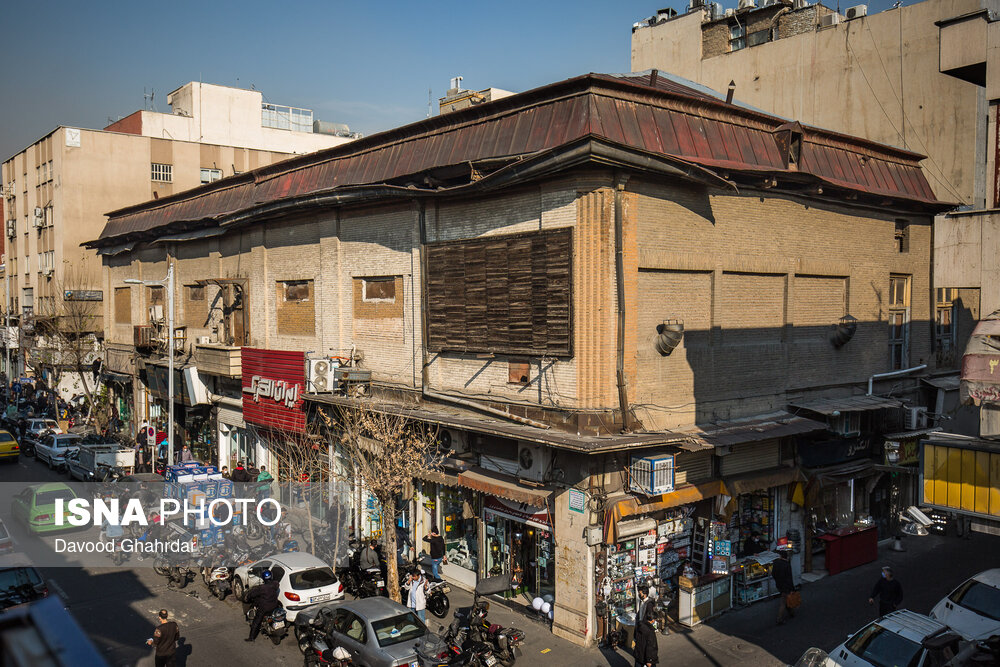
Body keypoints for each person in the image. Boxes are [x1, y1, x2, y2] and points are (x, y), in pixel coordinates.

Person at [245, 570, 281, 642]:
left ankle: (251, 638)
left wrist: (248, 596)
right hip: (274, 605)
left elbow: (253, 594)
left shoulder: (262, 588)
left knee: (256, 621)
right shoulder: (275, 584)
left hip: (265, 607)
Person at [772, 548, 795, 625]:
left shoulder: (776, 563)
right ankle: (779, 618)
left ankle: (791, 612)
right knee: (783, 602)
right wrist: (792, 589)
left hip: (779, 585)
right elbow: (789, 578)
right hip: (786, 586)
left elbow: (773, 574)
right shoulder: (787, 565)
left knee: (785, 599)